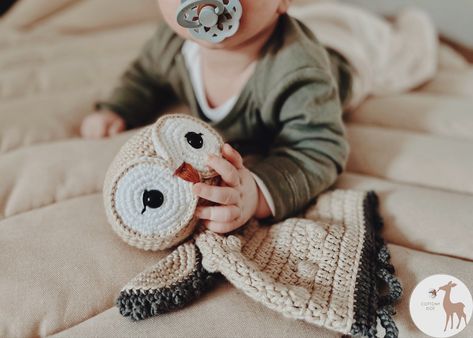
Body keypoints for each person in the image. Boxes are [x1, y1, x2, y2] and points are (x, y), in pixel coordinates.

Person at [80, 0, 351, 234]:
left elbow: (318, 148)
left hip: (349, 52)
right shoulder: (172, 42)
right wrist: (118, 108)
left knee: (358, 36)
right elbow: (145, 76)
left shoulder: (299, 73)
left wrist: (256, 194)